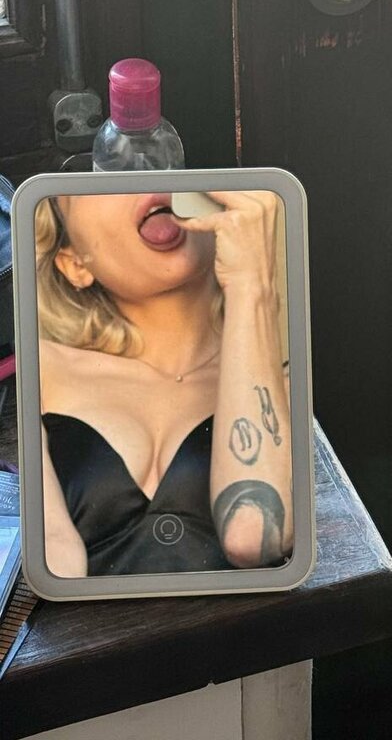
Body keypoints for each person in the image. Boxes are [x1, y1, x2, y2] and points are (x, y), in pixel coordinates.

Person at [35, 189, 292, 577]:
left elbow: (253, 536)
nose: (142, 180)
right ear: (75, 266)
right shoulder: (38, 369)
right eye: (104, 180)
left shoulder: (284, 388)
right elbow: (49, 565)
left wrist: (252, 284)